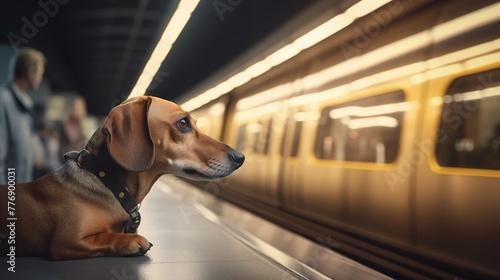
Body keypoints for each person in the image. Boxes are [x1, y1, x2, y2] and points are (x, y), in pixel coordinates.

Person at [0, 48, 46, 184]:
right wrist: (7, 199)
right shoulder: (3, 100)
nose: (41, 79)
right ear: (31, 72)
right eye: (40, 74)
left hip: (18, 191)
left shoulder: (24, 107)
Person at [58, 95, 90, 159]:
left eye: (78, 107)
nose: (75, 109)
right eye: (74, 106)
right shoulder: (64, 124)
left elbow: (86, 144)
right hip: (66, 158)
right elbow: (61, 144)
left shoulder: (86, 125)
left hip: (80, 159)